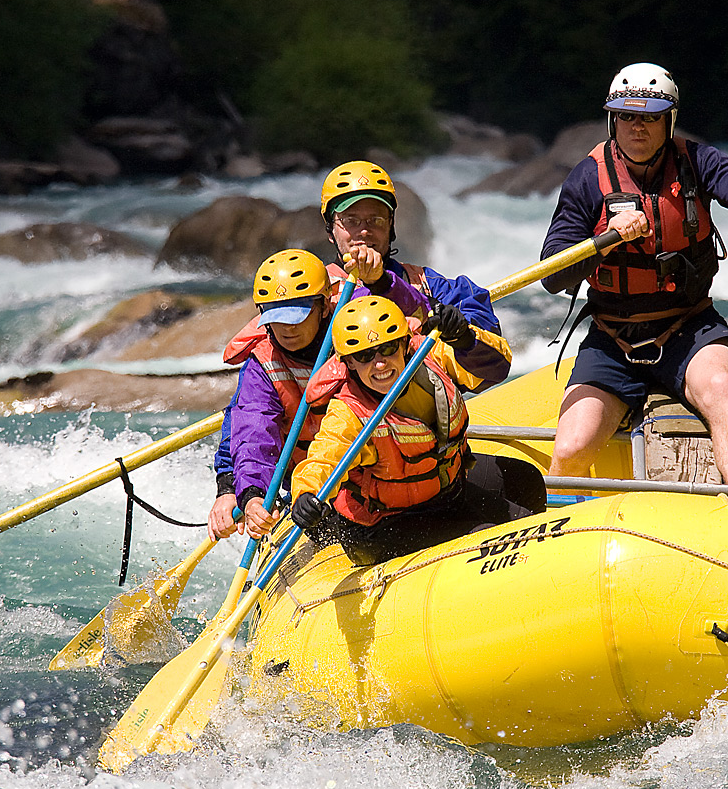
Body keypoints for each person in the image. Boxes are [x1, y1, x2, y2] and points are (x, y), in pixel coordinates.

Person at [539, 63, 728, 485]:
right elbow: (553, 274)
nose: (637, 128)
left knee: (720, 391)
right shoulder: (587, 178)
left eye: (650, 118)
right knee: (571, 448)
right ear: (612, 120)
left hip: (689, 328)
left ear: (668, 120)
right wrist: (606, 238)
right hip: (611, 338)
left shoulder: (696, 162)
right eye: (627, 116)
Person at [289, 297, 540, 561]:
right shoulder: (348, 412)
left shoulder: (430, 354)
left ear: (405, 344)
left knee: (525, 479)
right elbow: (322, 458)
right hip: (383, 525)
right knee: (489, 540)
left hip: (442, 496)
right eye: (364, 356)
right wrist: (305, 494)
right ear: (349, 363)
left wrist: (465, 338)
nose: (380, 364)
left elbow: (496, 369)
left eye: (387, 349)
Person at [318, 160, 513, 390]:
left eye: (376, 220)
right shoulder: (311, 291)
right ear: (331, 229)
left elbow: (494, 369)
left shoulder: (430, 284)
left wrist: (461, 335)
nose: (364, 230)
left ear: (391, 227)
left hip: (420, 418)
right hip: (343, 422)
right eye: (351, 221)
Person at [207, 249, 336, 540]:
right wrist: (250, 496)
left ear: (324, 307)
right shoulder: (261, 365)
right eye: (277, 317)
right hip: (304, 488)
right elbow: (253, 429)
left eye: (298, 316)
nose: (286, 327)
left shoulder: (354, 340)